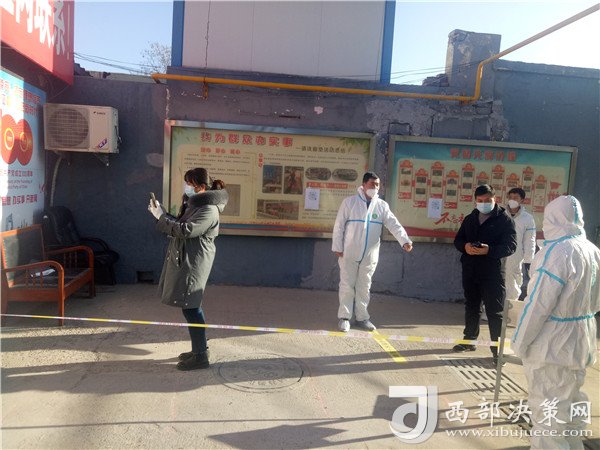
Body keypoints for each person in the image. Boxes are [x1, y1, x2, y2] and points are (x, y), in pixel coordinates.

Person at [512, 195, 600, 450]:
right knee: (570, 407)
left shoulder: (556, 253)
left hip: (552, 346)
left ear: (552, 219)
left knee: (548, 415)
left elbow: (538, 306)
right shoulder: (593, 251)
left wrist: (520, 342)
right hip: (582, 340)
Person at [148, 168, 228, 371]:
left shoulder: (209, 209)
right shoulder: (196, 205)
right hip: (189, 258)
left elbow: (186, 230)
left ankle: (200, 356)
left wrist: (161, 218)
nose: (187, 187)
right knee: (190, 306)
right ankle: (199, 349)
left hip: (195, 262)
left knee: (192, 307)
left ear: (201, 186)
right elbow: (180, 223)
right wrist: (162, 214)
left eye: (190, 184)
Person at [332, 171, 413, 332]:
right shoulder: (350, 203)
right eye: (372, 184)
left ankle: (362, 318)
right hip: (349, 252)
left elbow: (393, 224)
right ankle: (345, 318)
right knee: (347, 285)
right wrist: (337, 247)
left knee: (364, 286)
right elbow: (339, 225)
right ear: (363, 185)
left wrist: (404, 240)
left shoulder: (381, 206)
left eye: (377, 185)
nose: (375, 187)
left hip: (370, 254)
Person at [452, 184, 516, 364]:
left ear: (495, 199)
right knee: (472, 306)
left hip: (492, 272)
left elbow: (511, 246)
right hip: (471, 269)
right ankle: (469, 340)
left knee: (495, 311)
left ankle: (497, 351)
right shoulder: (471, 218)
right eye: (480, 200)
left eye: (487, 200)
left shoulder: (504, 220)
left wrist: (489, 250)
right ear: (475, 201)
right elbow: (458, 240)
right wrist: (465, 246)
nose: (483, 203)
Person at [505, 187, 536, 302]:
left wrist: (528, 260)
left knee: (513, 282)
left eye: (515, 197)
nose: (512, 200)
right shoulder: (500, 214)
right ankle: (492, 309)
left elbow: (529, 240)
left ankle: (510, 308)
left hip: (516, 255)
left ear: (522, 200)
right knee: (494, 280)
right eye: (510, 197)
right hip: (498, 253)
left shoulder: (527, 218)